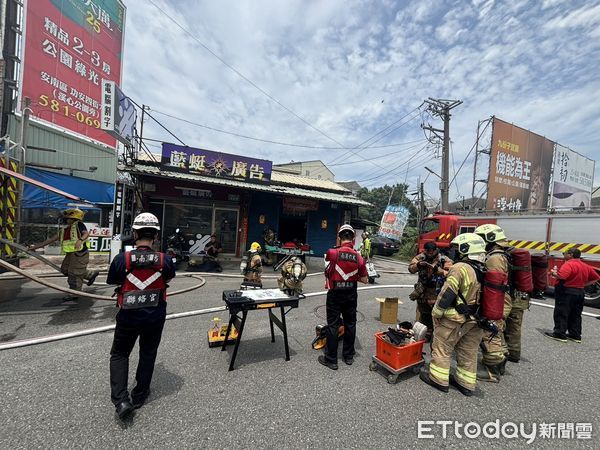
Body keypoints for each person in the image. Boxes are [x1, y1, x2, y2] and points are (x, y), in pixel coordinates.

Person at [107, 212, 176, 420]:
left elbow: (112, 280)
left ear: (135, 233)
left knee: (120, 353)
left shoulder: (122, 259)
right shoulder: (165, 260)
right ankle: (139, 394)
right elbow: (169, 276)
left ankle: (121, 400)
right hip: (155, 316)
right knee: (148, 353)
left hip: (128, 316)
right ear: (155, 236)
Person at [420, 233, 487, 396]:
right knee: (468, 351)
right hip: (476, 320)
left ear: (466, 249)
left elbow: (447, 294)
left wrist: (436, 313)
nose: (456, 252)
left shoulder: (460, 268)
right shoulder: (484, 270)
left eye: (458, 249)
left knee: (442, 347)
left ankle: (438, 379)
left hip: (456, 318)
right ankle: (466, 383)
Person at [319, 224, 368, 370]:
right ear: (353, 238)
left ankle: (331, 360)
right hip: (351, 294)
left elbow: (327, 270)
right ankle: (348, 356)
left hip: (335, 294)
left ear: (339, 237)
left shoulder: (332, 253)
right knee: (350, 323)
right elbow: (365, 279)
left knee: (333, 324)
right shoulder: (359, 257)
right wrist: (352, 278)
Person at [29, 208, 100, 300]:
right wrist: (35, 247)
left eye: (67, 218)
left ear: (73, 218)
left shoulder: (79, 224)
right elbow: (50, 240)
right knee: (65, 269)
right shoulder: (65, 230)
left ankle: (74, 293)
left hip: (80, 253)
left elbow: (86, 234)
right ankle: (89, 274)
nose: (65, 220)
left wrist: (80, 240)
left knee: (74, 273)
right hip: (70, 254)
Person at [474, 224, 513, 382]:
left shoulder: (495, 258)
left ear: (490, 239)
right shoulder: (501, 254)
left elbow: (494, 284)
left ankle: (492, 370)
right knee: (497, 329)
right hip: (501, 298)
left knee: (490, 331)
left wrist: (489, 308)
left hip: (496, 299)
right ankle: (501, 359)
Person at [546, 248, 600, 343]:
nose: (563, 255)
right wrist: (584, 284)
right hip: (580, 292)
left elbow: (562, 276)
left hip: (567, 291)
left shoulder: (569, 264)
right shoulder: (585, 265)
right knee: (576, 314)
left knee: (562, 312)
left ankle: (559, 334)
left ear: (570, 254)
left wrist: (554, 273)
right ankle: (575, 335)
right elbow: (596, 277)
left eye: (564, 253)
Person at [408, 242, 452, 333]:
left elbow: (450, 273)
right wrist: (418, 265)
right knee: (424, 312)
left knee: (436, 313)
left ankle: (436, 332)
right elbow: (411, 269)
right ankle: (426, 331)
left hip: (437, 290)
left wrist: (437, 270)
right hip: (423, 290)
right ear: (425, 250)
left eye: (433, 251)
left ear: (436, 250)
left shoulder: (444, 259)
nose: (430, 253)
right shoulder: (421, 257)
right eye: (428, 251)